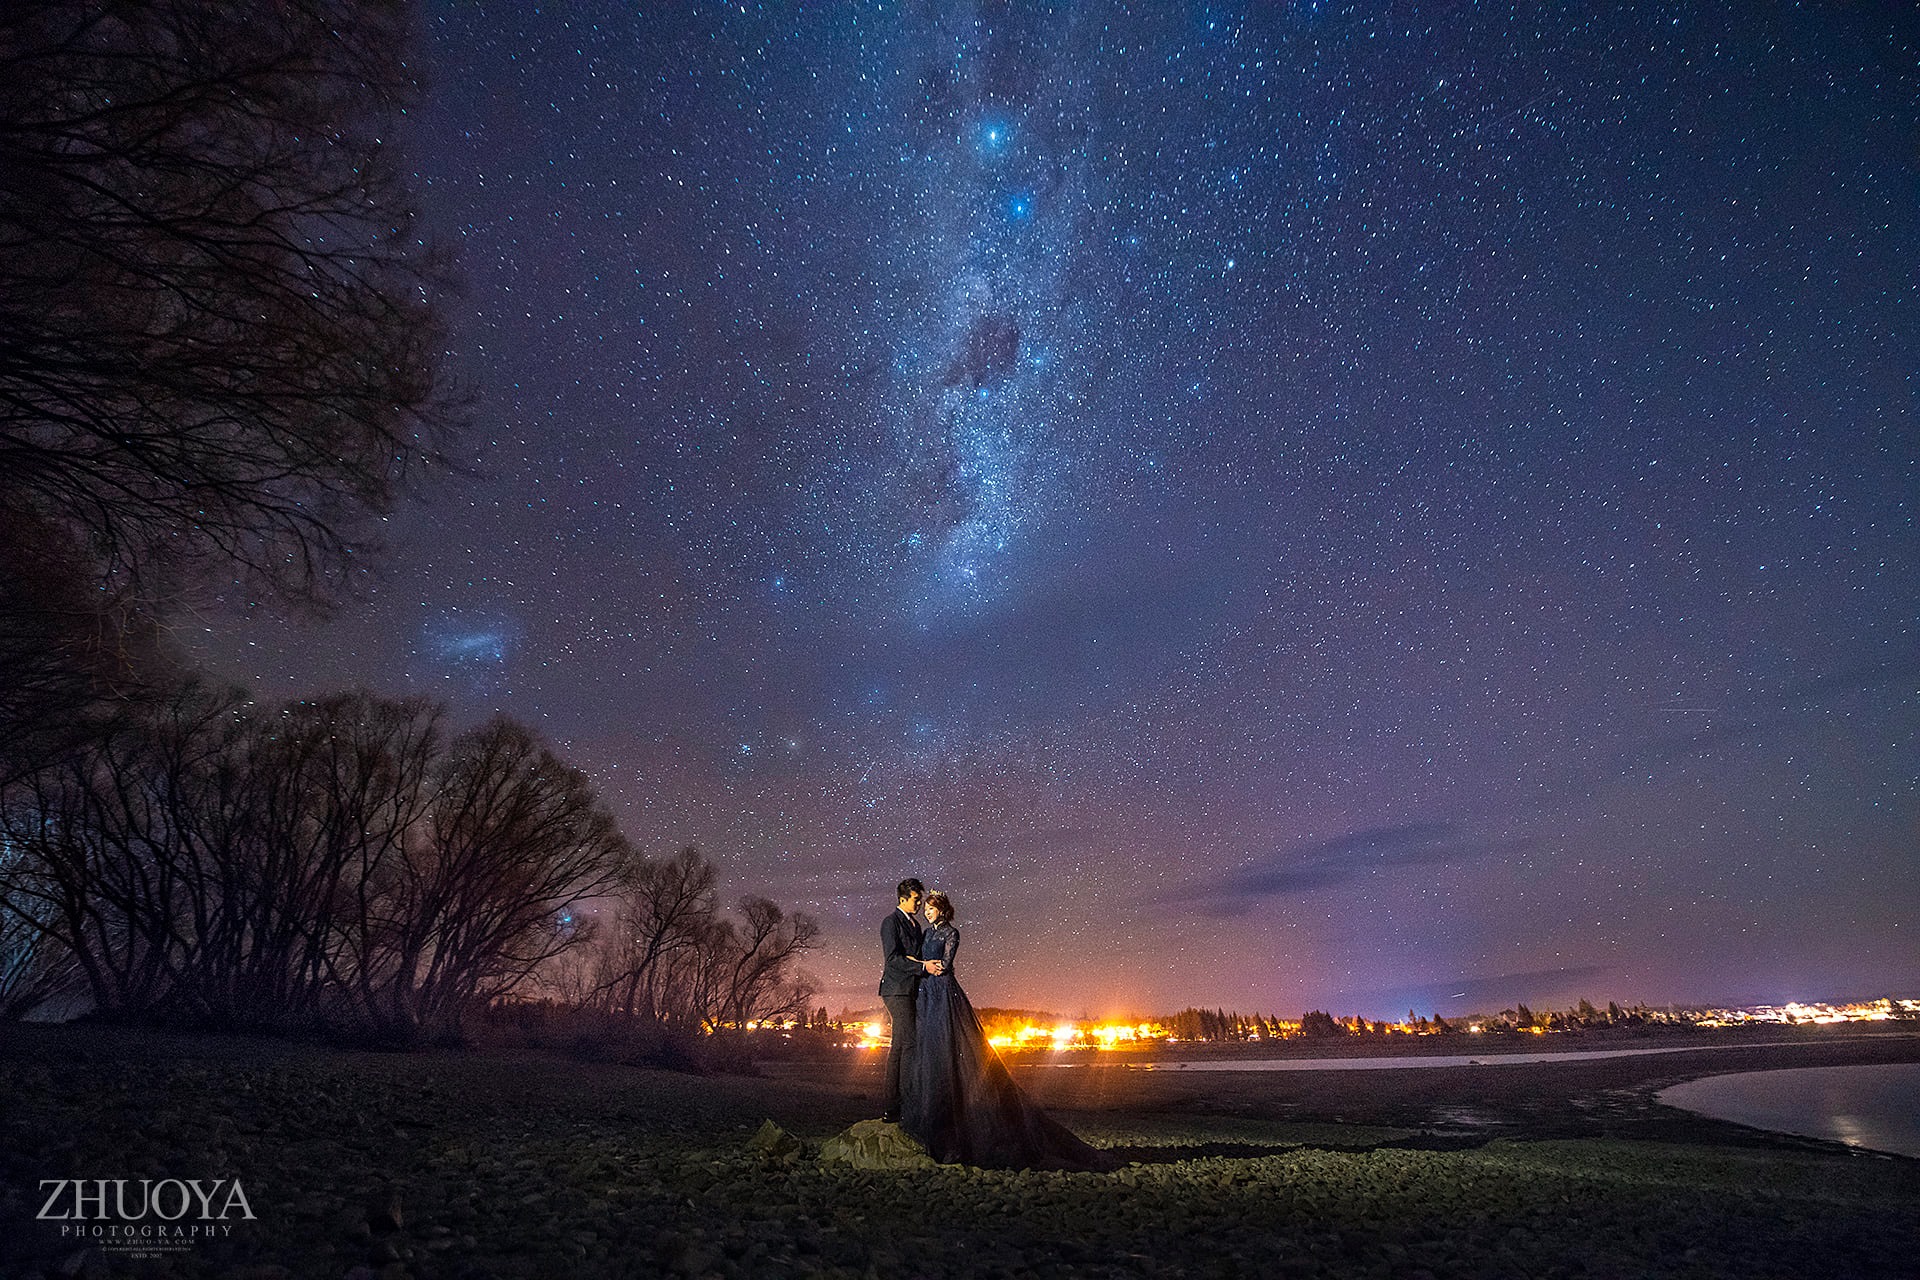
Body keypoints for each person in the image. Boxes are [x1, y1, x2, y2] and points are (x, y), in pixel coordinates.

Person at [902, 891, 1115, 1171]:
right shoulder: (925, 934)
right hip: (927, 994)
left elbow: (945, 965)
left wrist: (926, 968)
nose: (927, 912)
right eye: (926, 908)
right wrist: (921, 968)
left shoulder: (951, 933)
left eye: (932, 908)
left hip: (942, 994)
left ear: (942, 910)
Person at [878, 878, 942, 1123]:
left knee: (900, 1046)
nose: (919, 904)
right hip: (896, 990)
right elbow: (893, 959)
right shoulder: (890, 923)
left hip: (910, 990)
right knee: (908, 1044)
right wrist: (922, 967)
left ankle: (895, 1106)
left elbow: (916, 956)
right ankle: (899, 1106)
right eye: (916, 899)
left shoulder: (914, 926)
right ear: (903, 898)